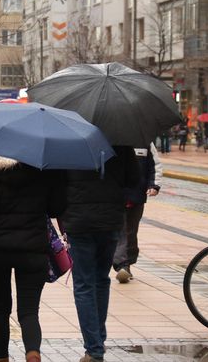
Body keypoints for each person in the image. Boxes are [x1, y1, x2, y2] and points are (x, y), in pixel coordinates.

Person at [0, 152, 66, 362]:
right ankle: (32, 353)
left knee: (1, 308)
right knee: (29, 310)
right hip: (33, 249)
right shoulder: (42, 169)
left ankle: (1, 357)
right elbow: (56, 208)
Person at [61, 146, 139, 362]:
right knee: (101, 280)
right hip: (110, 221)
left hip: (79, 222)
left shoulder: (70, 143)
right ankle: (97, 342)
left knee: (85, 284)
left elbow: (58, 184)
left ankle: (94, 349)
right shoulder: (121, 143)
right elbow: (134, 179)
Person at [114, 144, 162, 283]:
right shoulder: (113, 140)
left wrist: (154, 185)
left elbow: (154, 166)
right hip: (116, 196)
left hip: (137, 196)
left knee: (131, 231)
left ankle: (128, 261)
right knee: (121, 231)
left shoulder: (145, 141)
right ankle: (122, 265)